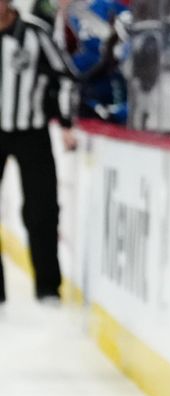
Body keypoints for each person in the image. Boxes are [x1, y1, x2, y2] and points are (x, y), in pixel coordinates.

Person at [0, 0, 77, 305]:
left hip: (32, 132)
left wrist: (67, 122)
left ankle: (48, 288)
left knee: (41, 211)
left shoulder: (35, 34)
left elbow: (67, 77)